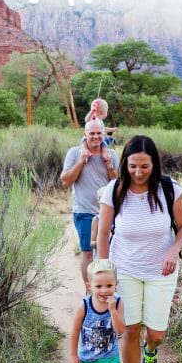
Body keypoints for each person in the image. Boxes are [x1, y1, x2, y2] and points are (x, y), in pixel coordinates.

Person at [96, 135, 182, 363]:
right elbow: (102, 233)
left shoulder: (170, 190)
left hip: (162, 270)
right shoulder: (114, 190)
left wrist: (174, 250)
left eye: (144, 167)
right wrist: (103, 269)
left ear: (154, 164)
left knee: (157, 333)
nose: (138, 173)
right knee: (130, 330)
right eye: (133, 166)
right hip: (124, 270)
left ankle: (152, 349)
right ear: (125, 163)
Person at [61, 119, 118, 292]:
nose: (95, 137)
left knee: (106, 253)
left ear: (103, 134)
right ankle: (90, 290)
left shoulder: (111, 154)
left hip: (107, 212)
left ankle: (105, 288)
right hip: (84, 211)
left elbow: (117, 183)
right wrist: (81, 160)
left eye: (98, 133)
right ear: (85, 134)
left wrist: (109, 165)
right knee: (88, 252)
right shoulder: (74, 152)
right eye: (91, 133)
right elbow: (65, 180)